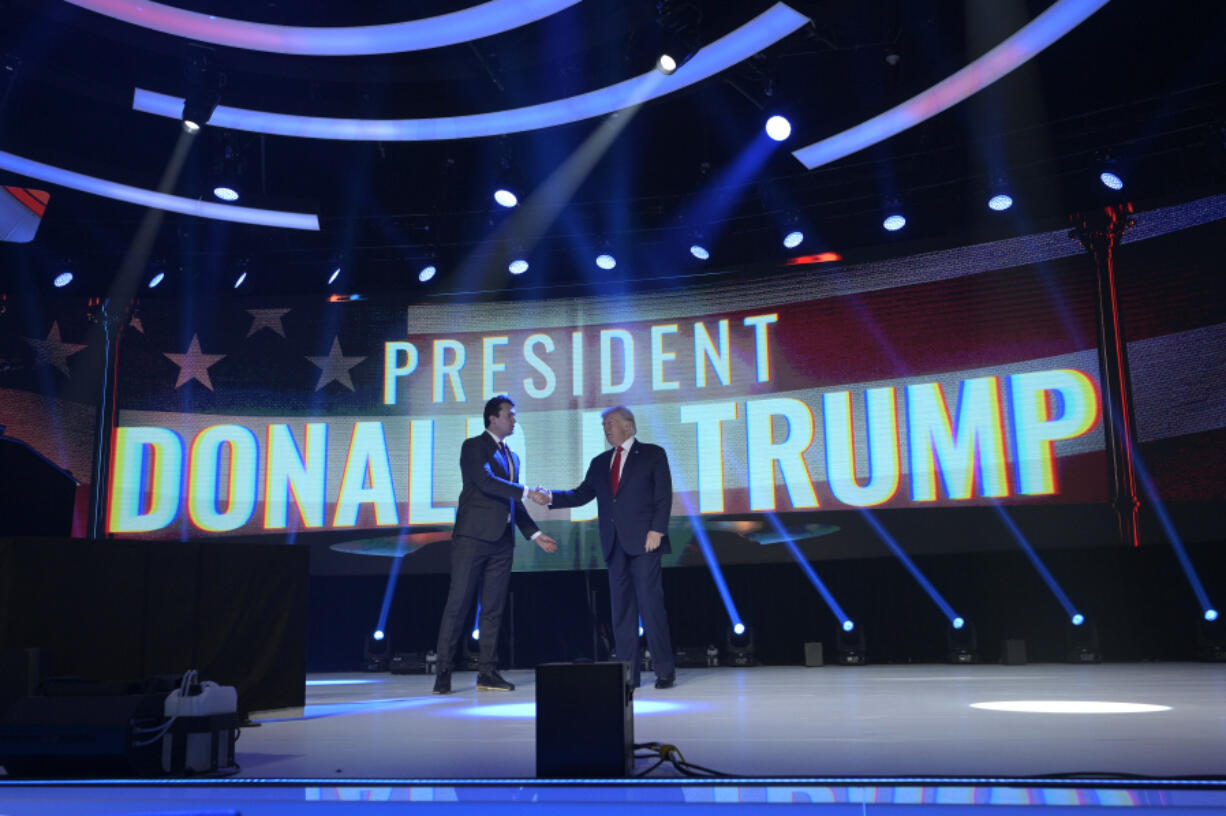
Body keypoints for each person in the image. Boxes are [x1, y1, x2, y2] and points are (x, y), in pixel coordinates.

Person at [535, 406, 676, 689]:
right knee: (621, 611)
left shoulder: (652, 454)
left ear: (629, 426)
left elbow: (663, 494)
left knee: (650, 607)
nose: (606, 428)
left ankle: (664, 670)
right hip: (614, 544)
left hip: (645, 542)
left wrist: (657, 530)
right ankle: (628, 674)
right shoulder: (601, 462)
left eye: (610, 422)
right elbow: (581, 493)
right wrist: (551, 497)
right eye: (603, 424)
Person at [432, 395, 556, 695]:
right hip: (472, 539)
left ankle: (487, 672)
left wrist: (534, 534)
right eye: (509, 415)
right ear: (493, 418)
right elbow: (487, 483)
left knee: (493, 609)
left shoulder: (512, 457)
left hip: (502, 543)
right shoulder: (474, 446)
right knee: (458, 605)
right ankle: (443, 674)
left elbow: (511, 501)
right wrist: (528, 491)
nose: (514, 420)